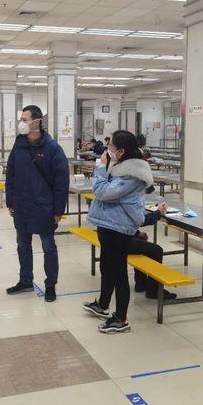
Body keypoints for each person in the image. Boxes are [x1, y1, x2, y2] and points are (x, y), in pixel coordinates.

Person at [83, 130, 153, 334]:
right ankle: (103, 305)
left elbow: (103, 192)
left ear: (121, 151)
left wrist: (101, 168)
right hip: (108, 224)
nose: (107, 149)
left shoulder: (133, 174)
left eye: (111, 146)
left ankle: (121, 318)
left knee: (119, 273)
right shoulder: (119, 165)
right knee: (107, 267)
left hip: (119, 228)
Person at [5, 105, 69, 302]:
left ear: (37, 122)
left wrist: (58, 210)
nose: (21, 123)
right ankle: (25, 281)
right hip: (21, 206)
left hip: (44, 207)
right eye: (21, 119)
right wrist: (10, 201)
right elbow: (11, 174)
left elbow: (61, 182)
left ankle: (50, 285)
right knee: (22, 245)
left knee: (48, 247)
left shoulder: (52, 148)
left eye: (25, 119)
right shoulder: (19, 145)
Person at [131, 203, 177, 299]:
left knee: (142, 241)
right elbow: (139, 220)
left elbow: (125, 221)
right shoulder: (123, 198)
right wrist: (158, 212)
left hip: (113, 235)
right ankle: (153, 290)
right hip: (119, 240)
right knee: (157, 251)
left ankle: (141, 284)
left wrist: (137, 233)